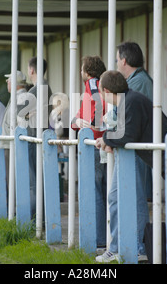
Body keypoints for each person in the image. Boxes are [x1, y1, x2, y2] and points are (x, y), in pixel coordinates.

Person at [95, 71, 167, 264]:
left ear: (106, 91)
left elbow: (126, 136)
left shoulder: (131, 102)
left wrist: (105, 139)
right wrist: (108, 140)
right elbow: (127, 134)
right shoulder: (130, 101)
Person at [115, 41, 154, 256]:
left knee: (137, 195)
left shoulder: (138, 83)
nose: (116, 63)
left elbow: (125, 116)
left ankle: (139, 246)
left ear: (124, 60)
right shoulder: (136, 80)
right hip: (134, 144)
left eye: (117, 59)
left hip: (138, 146)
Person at [71, 55, 107, 248]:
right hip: (98, 141)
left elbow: (98, 106)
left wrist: (93, 123)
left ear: (88, 71)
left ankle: (99, 238)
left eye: (82, 68)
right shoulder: (97, 84)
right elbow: (77, 118)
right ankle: (102, 237)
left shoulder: (92, 83)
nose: (80, 72)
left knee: (94, 191)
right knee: (101, 189)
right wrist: (76, 121)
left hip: (93, 142)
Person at [24, 57, 53, 218]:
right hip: (40, 134)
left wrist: (27, 114)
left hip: (33, 137)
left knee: (34, 181)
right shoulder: (46, 86)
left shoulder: (36, 89)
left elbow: (20, 112)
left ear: (32, 70)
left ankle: (35, 218)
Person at [0, 70, 29, 195]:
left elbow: (22, 124)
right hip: (10, 144)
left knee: (13, 178)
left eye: (9, 79)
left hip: (13, 145)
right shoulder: (18, 97)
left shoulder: (21, 98)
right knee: (11, 178)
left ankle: (15, 208)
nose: (7, 82)